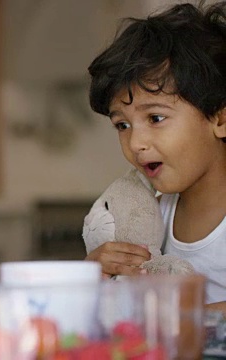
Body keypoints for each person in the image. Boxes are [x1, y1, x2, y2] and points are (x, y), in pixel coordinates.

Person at [85, 1, 226, 314]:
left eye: (156, 118)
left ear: (219, 119)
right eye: (122, 125)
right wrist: (93, 273)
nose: (136, 143)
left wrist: (179, 316)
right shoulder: (151, 216)